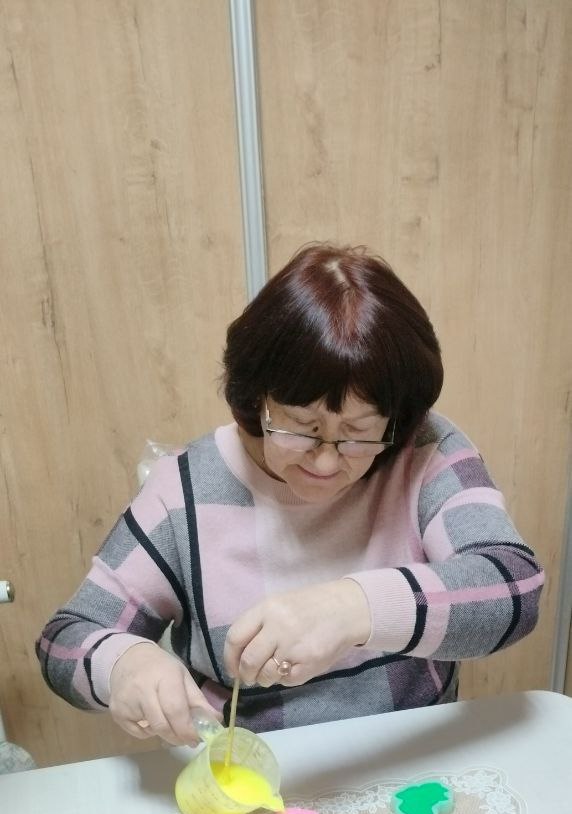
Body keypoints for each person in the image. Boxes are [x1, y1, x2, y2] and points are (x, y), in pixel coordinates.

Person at [37, 244, 544, 748]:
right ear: (257, 400)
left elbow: (514, 586)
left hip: (412, 758)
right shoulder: (186, 490)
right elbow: (66, 637)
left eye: (358, 432)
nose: (325, 462)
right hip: (253, 774)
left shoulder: (424, 450)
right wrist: (124, 665)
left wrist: (353, 607)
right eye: (301, 427)